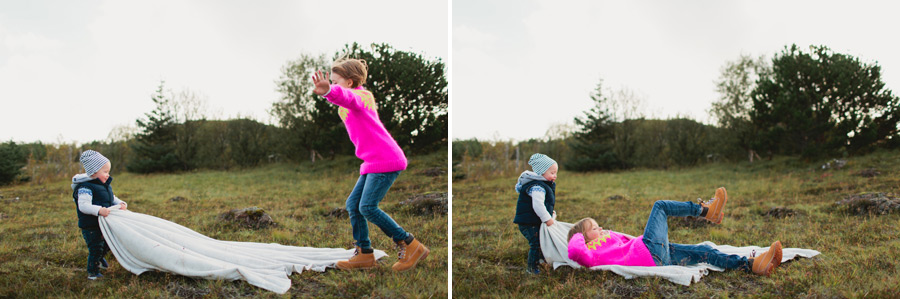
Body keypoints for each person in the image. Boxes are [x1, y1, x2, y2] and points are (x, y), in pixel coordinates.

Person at [310, 58, 428, 272]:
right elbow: (344, 100)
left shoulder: (363, 97)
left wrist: (329, 91)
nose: (333, 85)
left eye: (336, 82)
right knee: (353, 205)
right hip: (372, 161)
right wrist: (331, 93)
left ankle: (410, 244)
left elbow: (349, 98)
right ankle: (364, 253)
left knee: (367, 207)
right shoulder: (344, 105)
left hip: (386, 159)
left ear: (351, 81)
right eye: (332, 82)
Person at [567, 188, 783, 276]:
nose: (601, 229)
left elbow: (626, 243)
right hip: (650, 252)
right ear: (584, 237)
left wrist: (601, 233)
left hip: (660, 257)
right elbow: (575, 252)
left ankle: (752, 265)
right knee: (660, 206)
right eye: (595, 228)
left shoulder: (608, 241)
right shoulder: (589, 252)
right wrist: (576, 233)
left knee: (703, 251)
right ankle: (705, 211)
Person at [70, 150, 128, 280]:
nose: (108, 175)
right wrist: (99, 210)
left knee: (108, 243)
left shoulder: (104, 185)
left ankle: (100, 258)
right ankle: (93, 272)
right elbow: (83, 206)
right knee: (95, 247)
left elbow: (111, 198)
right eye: (105, 172)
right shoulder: (85, 187)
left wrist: (121, 203)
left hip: (103, 223)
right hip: (91, 226)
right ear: (94, 172)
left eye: (108, 172)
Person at [513, 153, 559, 274]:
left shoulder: (542, 184)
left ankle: (540, 261)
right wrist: (547, 218)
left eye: (556, 173)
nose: (555, 176)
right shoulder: (537, 186)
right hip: (528, 223)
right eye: (552, 173)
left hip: (533, 221)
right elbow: (537, 205)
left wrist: (550, 212)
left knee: (541, 241)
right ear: (542, 172)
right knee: (536, 243)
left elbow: (543, 204)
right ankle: (532, 269)